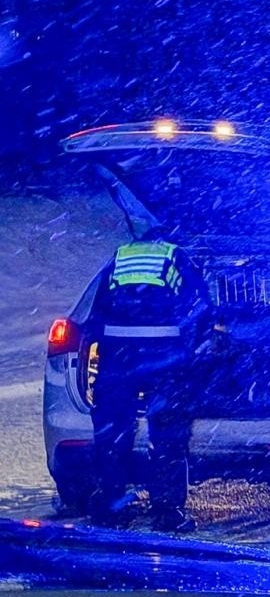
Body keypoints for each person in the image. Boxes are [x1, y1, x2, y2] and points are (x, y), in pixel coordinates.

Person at [81, 228, 212, 532]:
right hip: (163, 358)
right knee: (167, 435)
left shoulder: (120, 257)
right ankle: (168, 512)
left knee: (113, 432)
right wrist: (194, 350)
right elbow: (199, 307)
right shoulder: (176, 256)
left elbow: (96, 315)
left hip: (118, 358)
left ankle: (113, 506)